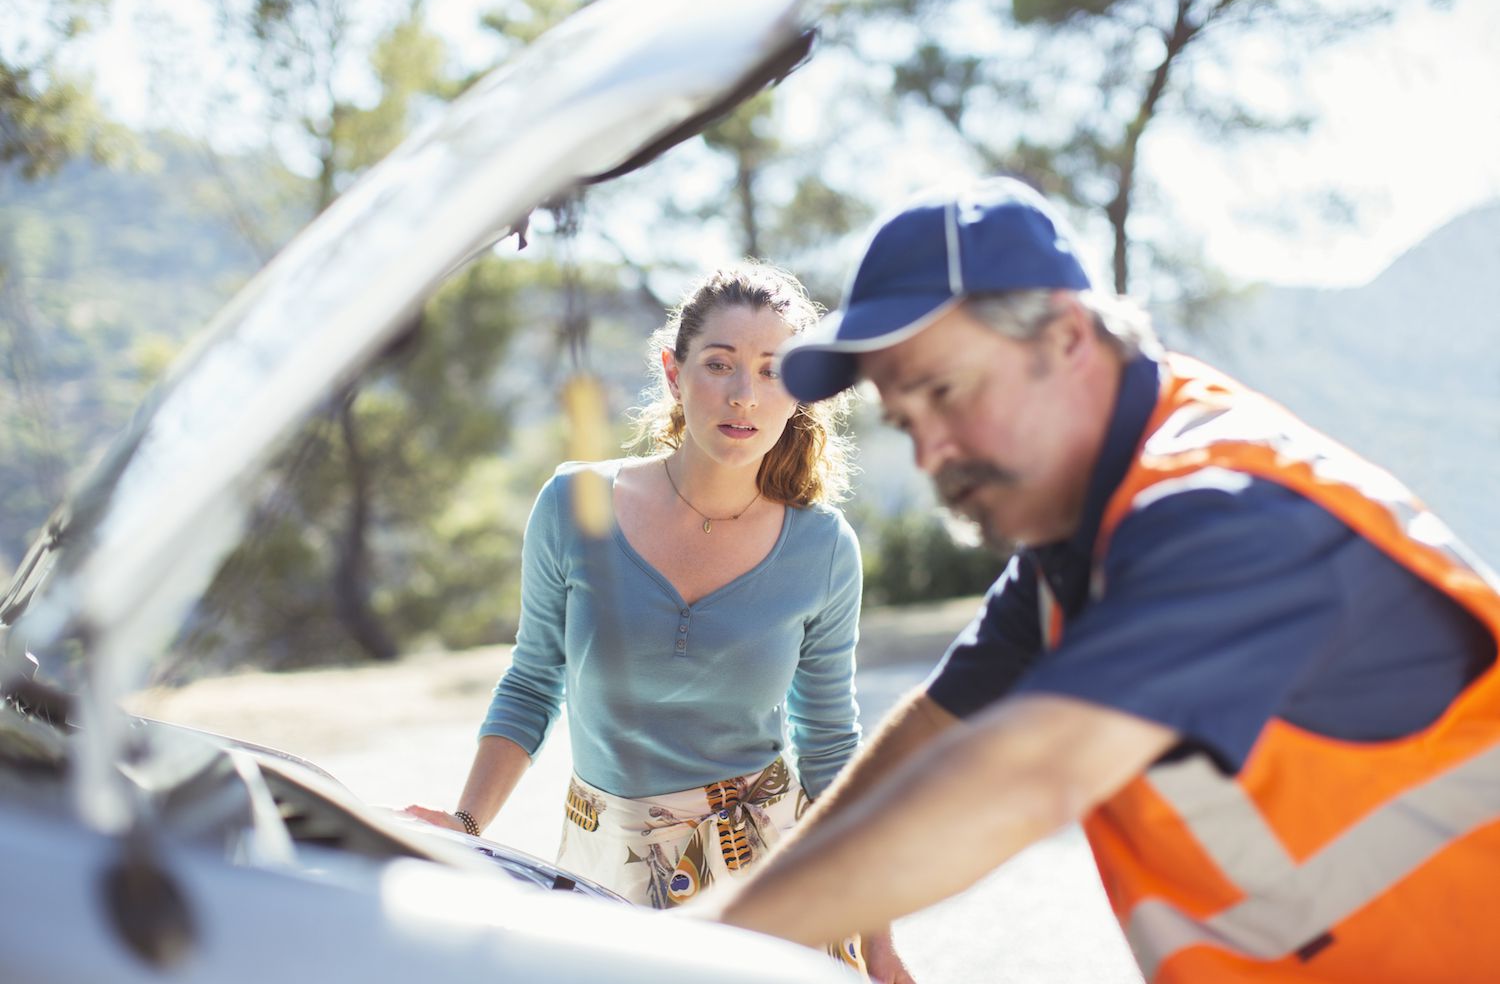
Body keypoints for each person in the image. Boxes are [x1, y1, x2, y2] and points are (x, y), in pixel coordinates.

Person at [691, 177, 1500, 983]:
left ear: (1068, 338)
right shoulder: (1077, 543)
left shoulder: (1229, 515)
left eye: (945, 391)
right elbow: (938, 737)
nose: (931, 452)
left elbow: (1029, 771)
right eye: (907, 420)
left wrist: (679, 966)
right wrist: (722, 940)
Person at [405, 262, 869, 973]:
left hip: (767, 875)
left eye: (773, 371)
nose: (744, 395)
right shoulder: (572, 506)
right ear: (674, 372)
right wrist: (466, 825)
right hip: (602, 864)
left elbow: (830, 746)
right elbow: (534, 681)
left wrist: (880, 923)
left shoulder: (824, 548)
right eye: (720, 364)